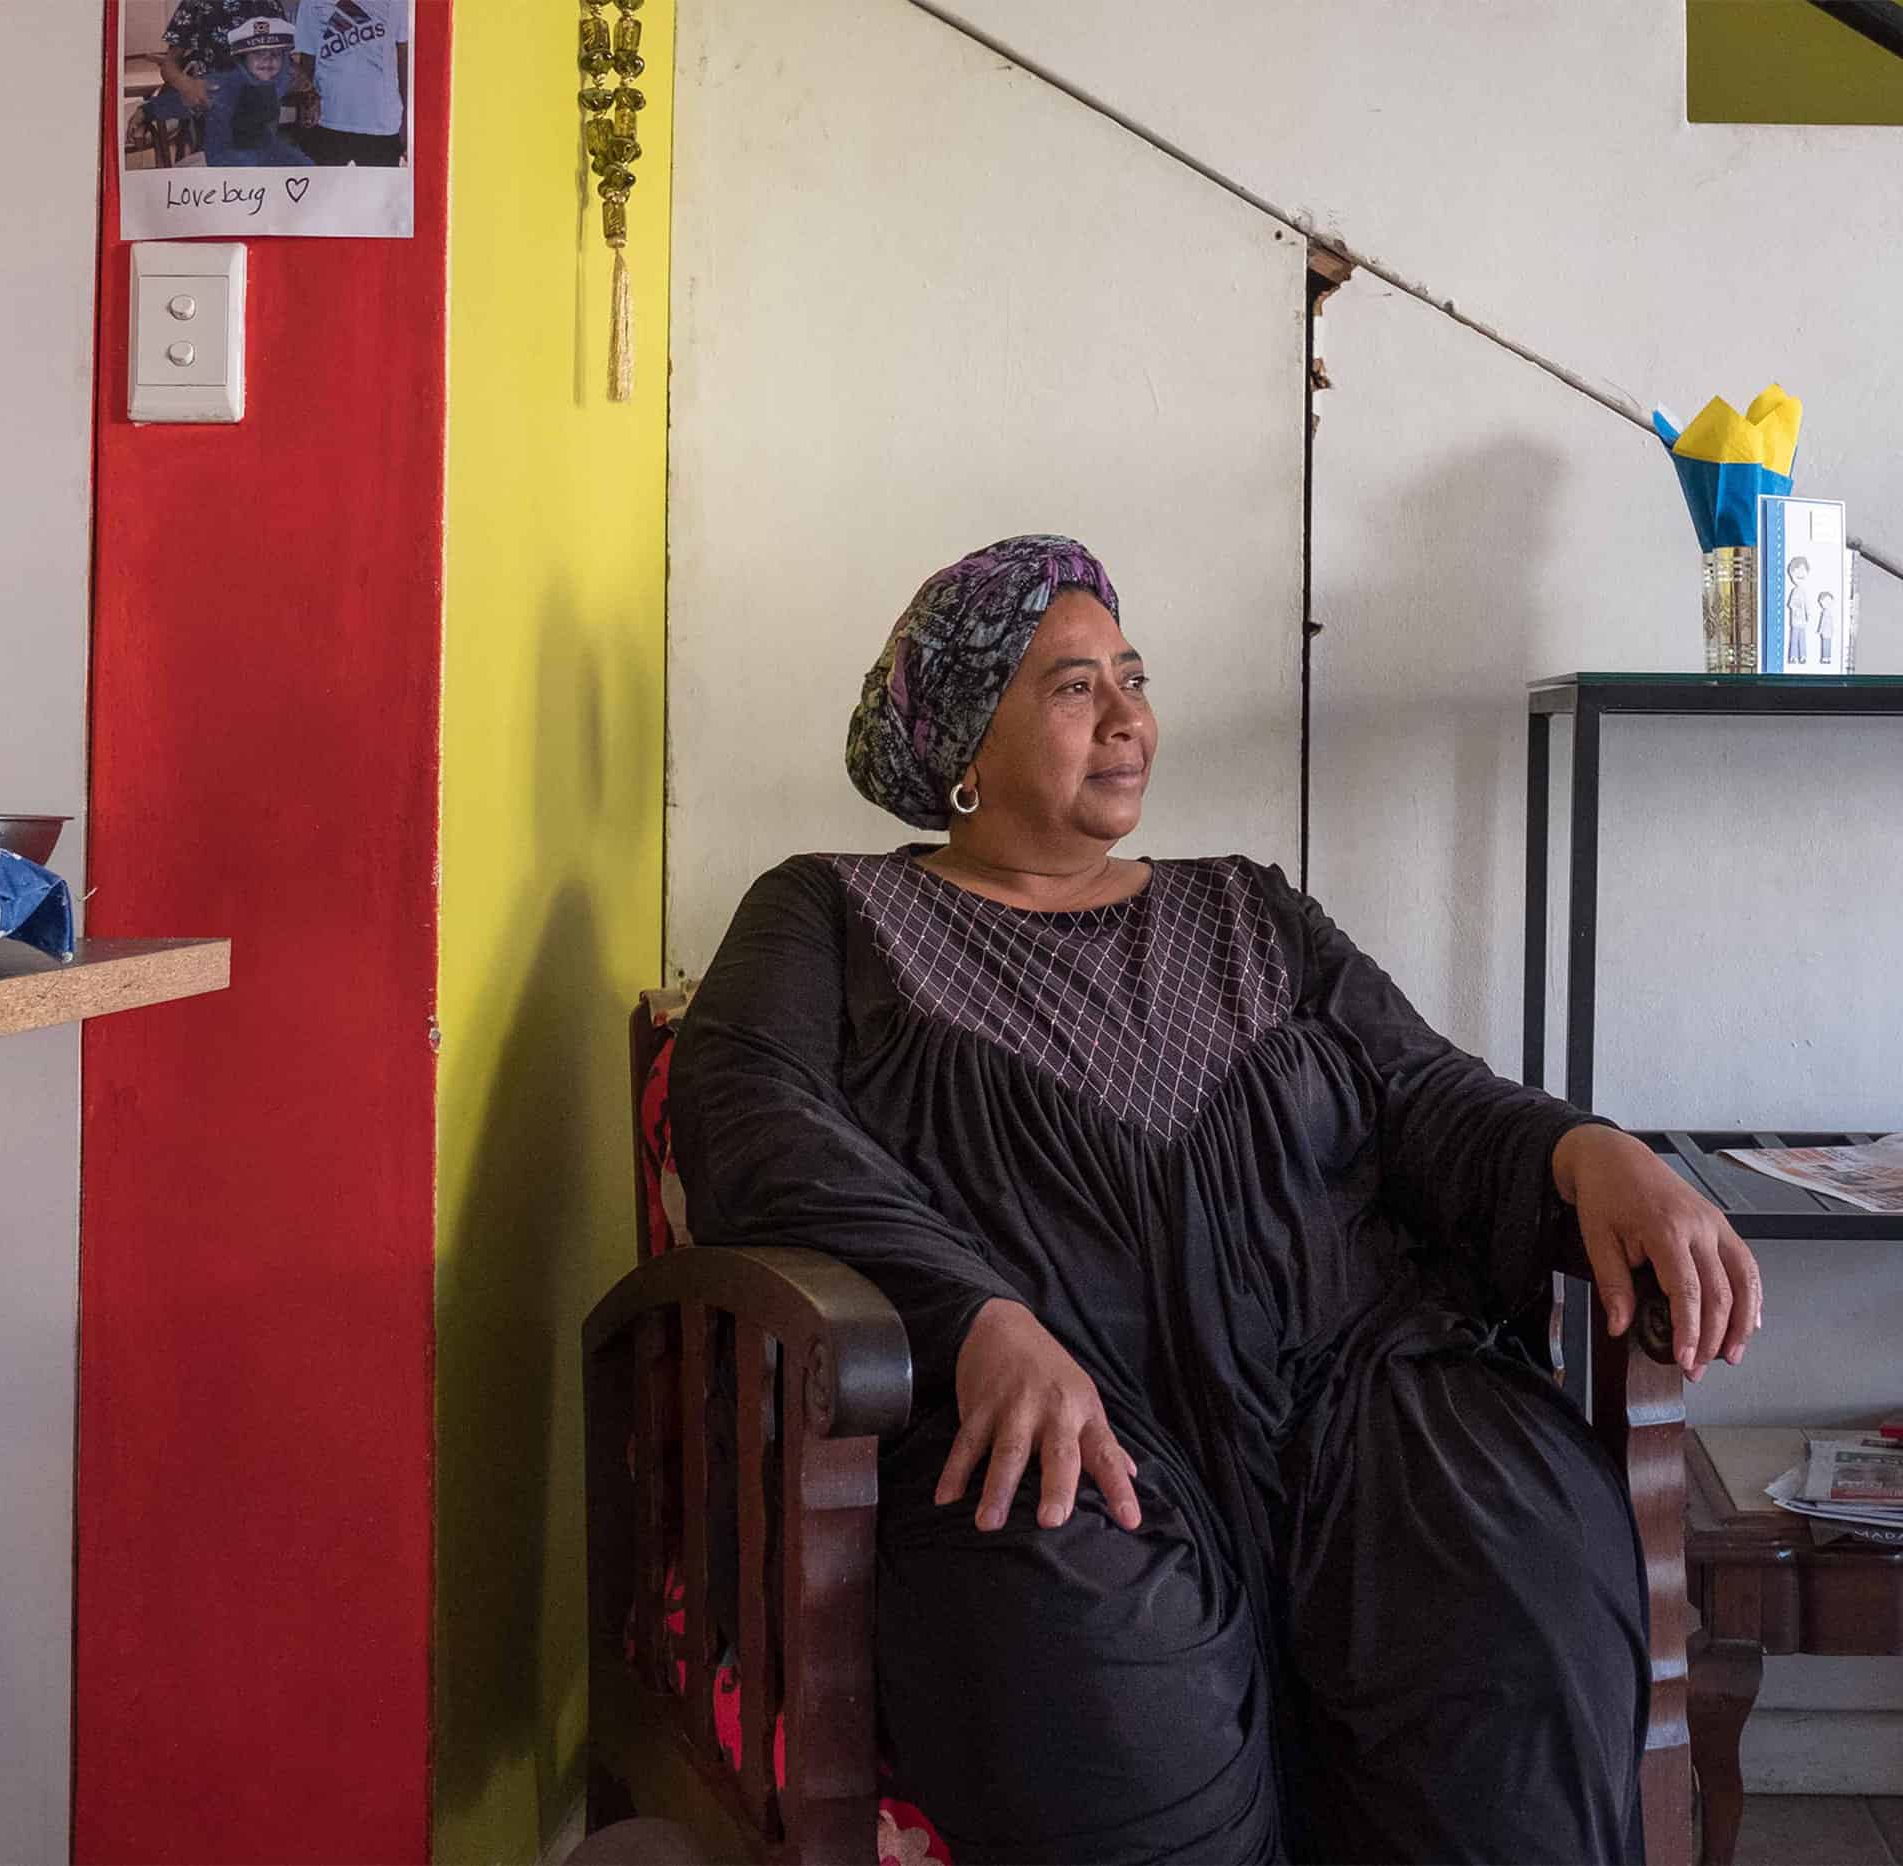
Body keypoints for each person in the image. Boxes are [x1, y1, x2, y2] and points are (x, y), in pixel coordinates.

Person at [670, 535, 1764, 1864]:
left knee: (1517, 1607)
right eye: (1075, 687)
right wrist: (973, 1319)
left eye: (1133, 677)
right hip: (1061, 1432)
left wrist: (1584, 1149)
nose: (1131, 718)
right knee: (1106, 1700)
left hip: (1364, 1397)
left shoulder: (1249, 907)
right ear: (965, 734)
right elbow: (749, 1118)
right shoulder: (829, 914)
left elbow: (1421, 1087)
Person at [154, 1, 308, 169]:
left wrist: (309, 92)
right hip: (212, 103)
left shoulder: (271, 4)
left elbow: (283, 57)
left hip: (260, 104)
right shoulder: (196, 3)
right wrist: (186, 84)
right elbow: (169, 65)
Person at [293, 0, 409, 168]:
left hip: (382, 123)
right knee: (329, 192)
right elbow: (307, 59)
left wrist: (407, 117)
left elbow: (404, 56)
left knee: (376, 192)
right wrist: (307, 105)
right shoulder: (311, 3)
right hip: (328, 119)